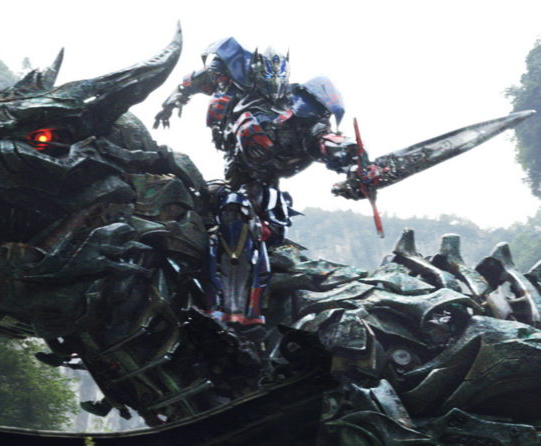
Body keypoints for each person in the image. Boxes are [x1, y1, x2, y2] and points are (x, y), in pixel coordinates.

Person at [153, 37, 383, 324]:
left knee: (237, 211)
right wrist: (174, 98)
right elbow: (196, 79)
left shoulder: (298, 108)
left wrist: (351, 158)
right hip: (234, 180)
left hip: (263, 191)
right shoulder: (230, 85)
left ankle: (237, 313)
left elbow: (323, 138)